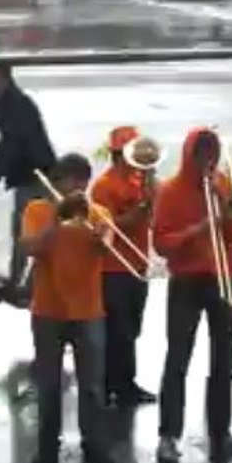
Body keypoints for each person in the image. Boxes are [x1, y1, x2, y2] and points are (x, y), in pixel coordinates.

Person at [152, 128, 232, 463]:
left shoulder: (227, 185)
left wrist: (225, 207)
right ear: (189, 156)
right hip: (185, 282)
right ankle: (168, 436)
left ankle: (220, 434)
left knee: (224, 363)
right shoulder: (169, 191)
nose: (207, 163)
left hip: (222, 278)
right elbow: (161, 246)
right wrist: (198, 228)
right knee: (178, 359)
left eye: (212, 155)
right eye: (201, 155)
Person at [20, 153, 113, 463]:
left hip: (88, 311)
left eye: (82, 180)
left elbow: (107, 248)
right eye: (71, 180)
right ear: (57, 182)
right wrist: (56, 221)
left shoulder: (98, 213)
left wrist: (101, 235)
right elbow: (31, 248)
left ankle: (95, 446)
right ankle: (47, 449)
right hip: (48, 310)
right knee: (48, 385)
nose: (78, 187)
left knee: (92, 387)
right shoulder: (37, 210)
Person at [0, 63, 56, 287]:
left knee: (28, 232)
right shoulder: (13, 104)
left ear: (4, 78)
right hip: (31, 175)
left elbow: (10, 145)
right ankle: (22, 283)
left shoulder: (15, 106)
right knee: (26, 231)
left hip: (37, 176)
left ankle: (23, 284)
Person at [89, 126, 157, 406]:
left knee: (132, 330)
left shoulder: (139, 180)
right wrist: (143, 206)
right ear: (118, 154)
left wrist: (151, 188)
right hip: (112, 268)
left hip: (137, 264)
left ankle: (126, 384)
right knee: (116, 331)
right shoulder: (104, 186)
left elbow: (153, 218)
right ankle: (106, 386)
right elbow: (114, 227)